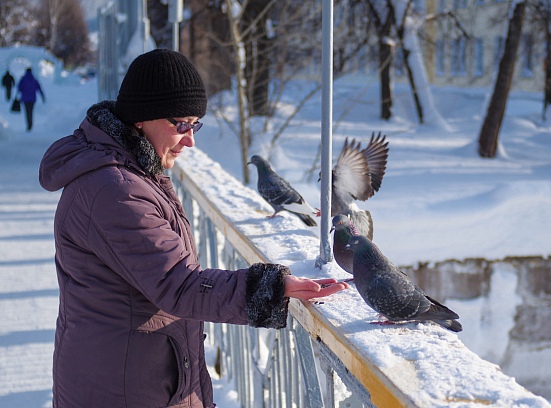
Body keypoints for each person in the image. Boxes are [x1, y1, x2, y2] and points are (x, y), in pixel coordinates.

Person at [39, 49, 347, 408]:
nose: (191, 140)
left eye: (195, 124)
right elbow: (180, 284)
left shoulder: (133, 173)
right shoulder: (115, 191)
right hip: (122, 389)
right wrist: (272, 288)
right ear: (141, 118)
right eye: (181, 124)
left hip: (133, 377)